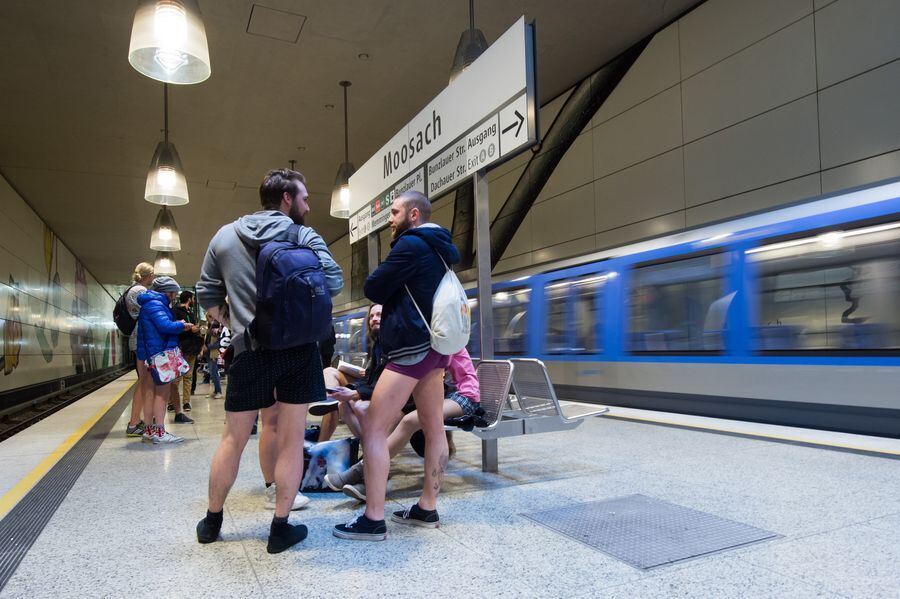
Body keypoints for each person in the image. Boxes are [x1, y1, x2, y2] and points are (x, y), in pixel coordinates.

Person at [195, 168, 342, 554]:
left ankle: (212, 522)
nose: (309, 206)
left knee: (233, 438)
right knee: (292, 440)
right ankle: (280, 528)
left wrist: (235, 322)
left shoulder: (224, 236)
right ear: (287, 199)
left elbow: (206, 294)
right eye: (305, 198)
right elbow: (335, 283)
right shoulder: (303, 235)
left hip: (250, 350)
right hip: (298, 351)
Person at [333, 190, 459, 541]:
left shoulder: (410, 245)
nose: (390, 219)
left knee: (374, 429)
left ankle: (373, 519)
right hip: (435, 350)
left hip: (409, 349)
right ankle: (427, 507)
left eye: (394, 212)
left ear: (414, 214)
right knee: (434, 429)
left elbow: (373, 285)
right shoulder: (440, 249)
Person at [326, 347, 479, 502]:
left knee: (409, 420)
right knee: (393, 415)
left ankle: (360, 470)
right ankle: (372, 480)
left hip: (464, 396)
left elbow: (430, 372)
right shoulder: (427, 342)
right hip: (444, 393)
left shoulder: (444, 341)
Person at [136, 276, 196, 444]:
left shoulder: (149, 303)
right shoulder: (156, 304)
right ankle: (160, 432)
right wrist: (182, 325)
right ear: (168, 292)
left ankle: (149, 431)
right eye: (174, 293)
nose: (174, 296)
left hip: (147, 354)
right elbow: (164, 326)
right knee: (162, 394)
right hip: (158, 354)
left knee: (148, 393)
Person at [314, 304, 383, 442]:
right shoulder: (376, 345)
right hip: (370, 385)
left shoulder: (393, 345)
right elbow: (371, 376)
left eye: (379, 315)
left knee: (347, 405)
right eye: (371, 316)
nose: (374, 319)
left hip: (383, 392)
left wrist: (354, 392)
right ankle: (329, 400)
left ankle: (370, 451)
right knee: (329, 372)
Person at [125, 262, 154, 437]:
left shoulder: (134, 290)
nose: (154, 278)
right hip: (141, 339)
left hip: (138, 338)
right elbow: (152, 311)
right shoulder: (140, 292)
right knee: (143, 381)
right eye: (153, 275)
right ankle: (134, 423)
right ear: (147, 275)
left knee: (143, 381)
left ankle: (136, 421)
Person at [170, 290, 202, 421]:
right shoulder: (176, 312)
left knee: (188, 376)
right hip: (181, 347)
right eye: (193, 298)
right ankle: (172, 403)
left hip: (192, 348)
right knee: (177, 377)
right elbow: (174, 329)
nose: (194, 300)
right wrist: (190, 329)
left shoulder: (191, 313)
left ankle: (186, 402)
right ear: (189, 299)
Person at [202, 316, 223, 398]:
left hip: (212, 352)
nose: (207, 318)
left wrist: (208, 347)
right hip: (208, 352)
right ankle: (216, 390)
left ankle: (219, 391)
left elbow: (218, 342)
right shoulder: (211, 325)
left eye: (209, 316)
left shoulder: (216, 326)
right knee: (212, 372)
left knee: (214, 372)